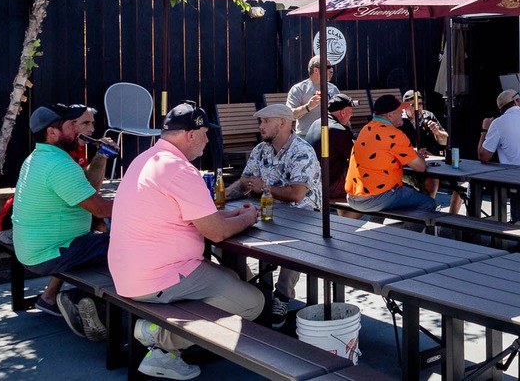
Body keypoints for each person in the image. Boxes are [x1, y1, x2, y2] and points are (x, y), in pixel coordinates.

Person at [110, 101, 263, 380]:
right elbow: (216, 233)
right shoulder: (179, 170)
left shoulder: (146, 159)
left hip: (130, 273)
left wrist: (232, 215)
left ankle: (172, 338)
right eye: (205, 133)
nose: (208, 140)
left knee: (231, 276)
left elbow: (199, 217)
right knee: (253, 301)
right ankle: (161, 339)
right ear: (191, 134)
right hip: (159, 278)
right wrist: (248, 218)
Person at [12, 103, 114, 342]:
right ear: (52, 132)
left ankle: (50, 298)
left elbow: (87, 190)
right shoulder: (60, 165)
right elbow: (100, 208)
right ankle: (85, 302)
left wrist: (101, 155)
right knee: (127, 244)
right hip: (50, 253)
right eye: (73, 125)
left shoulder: (38, 157)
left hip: (34, 248)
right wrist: (142, 203)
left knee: (97, 238)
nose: (81, 129)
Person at [224, 104, 319, 330]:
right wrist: (223, 194)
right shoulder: (261, 150)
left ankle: (282, 296)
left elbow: (297, 194)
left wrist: (264, 186)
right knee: (224, 235)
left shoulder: (302, 151)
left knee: (296, 243)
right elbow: (245, 182)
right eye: (261, 121)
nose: (260, 126)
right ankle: (250, 289)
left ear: (283, 123)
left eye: (266, 121)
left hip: (302, 216)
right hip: (268, 211)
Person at [344, 94, 437, 213]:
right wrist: (420, 157)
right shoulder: (395, 135)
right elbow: (420, 167)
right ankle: (406, 227)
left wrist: (412, 154)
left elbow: (383, 152)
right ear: (390, 115)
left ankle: (379, 225)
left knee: (401, 192)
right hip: (374, 198)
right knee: (428, 203)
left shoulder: (366, 129)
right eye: (399, 111)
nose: (402, 113)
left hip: (353, 196)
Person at [399, 90, 451, 207]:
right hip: (407, 165)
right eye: (413, 105)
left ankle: (428, 211)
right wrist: (415, 152)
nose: (418, 108)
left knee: (458, 184)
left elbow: (445, 141)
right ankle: (425, 210)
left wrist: (437, 132)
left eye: (420, 104)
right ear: (405, 106)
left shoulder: (429, 116)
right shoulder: (399, 120)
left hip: (430, 163)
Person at [306, 93, 358, 209]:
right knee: (364, 190)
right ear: (343, 113)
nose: (352, 115)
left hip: (308, 185)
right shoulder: (340, 130)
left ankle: (345, 216)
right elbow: (356, 157)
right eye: (350, 112)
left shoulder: (316, 123)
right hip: (326, 188)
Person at [288, 56, 340, 138]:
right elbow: (290, 114)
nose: (331, 70)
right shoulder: (299, 89)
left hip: (330, 136)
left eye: (331, 67)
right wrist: (308, 107)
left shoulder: (333, 89)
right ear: (316, 70)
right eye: (328, 67)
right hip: (306, 137)